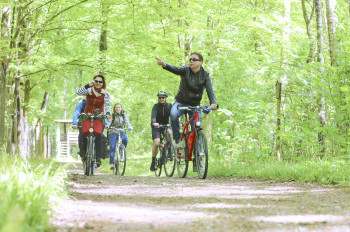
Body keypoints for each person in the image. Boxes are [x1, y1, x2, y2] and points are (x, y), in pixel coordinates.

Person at [155, 52, 217, 148]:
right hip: (180, 102)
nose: (191, 61)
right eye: (190, 59)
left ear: (200, 62)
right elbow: (175, 69)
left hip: (195, 105)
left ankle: (199, 159)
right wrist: (164, 65)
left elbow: (210, 91)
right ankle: (177, 140)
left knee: (197, 130)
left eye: (194, 59)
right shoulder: (185, 70)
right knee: (173, 114)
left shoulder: (205, 75)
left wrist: (213, 103)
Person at [76, 74, 111, 167]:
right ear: (93, 82)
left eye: (100, 82)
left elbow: (107, 105)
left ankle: (98, 158)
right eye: (96, 81)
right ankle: (83, 154)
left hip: (99, 116)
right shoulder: (88, 91)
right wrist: (87, 85)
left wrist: (108, 113)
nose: (98, 83)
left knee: (99, 135)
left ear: (103, 83)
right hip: (87, 115)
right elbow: (78, 92)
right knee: (83, 134)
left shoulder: (105, 94)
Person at [150, 90, 172, 171]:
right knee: (157, 143)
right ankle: (153, 162)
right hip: (157, 127)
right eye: (160, 97)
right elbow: (153, 115)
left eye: (163, 97)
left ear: (166, 98)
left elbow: (173, 116)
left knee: (169, 133)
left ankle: (169, 152)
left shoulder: (169, 106)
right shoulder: (155, 106)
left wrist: (177, 123)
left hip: (166, 125)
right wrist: (153, 122)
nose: (161, 99)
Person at [106, 103, 133, 170]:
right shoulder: (112, 115)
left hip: (121, 131)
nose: (118, 109)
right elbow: (109, 122)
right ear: (114, 109)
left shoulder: (124, 115)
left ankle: (122, 153)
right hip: (113, 131)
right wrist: (107, 126)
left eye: (119, 107)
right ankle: (112, 163)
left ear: (121, 108)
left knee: (125, 140)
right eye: (116, 107)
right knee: (112, 146)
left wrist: (129, 126)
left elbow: (127, 122)